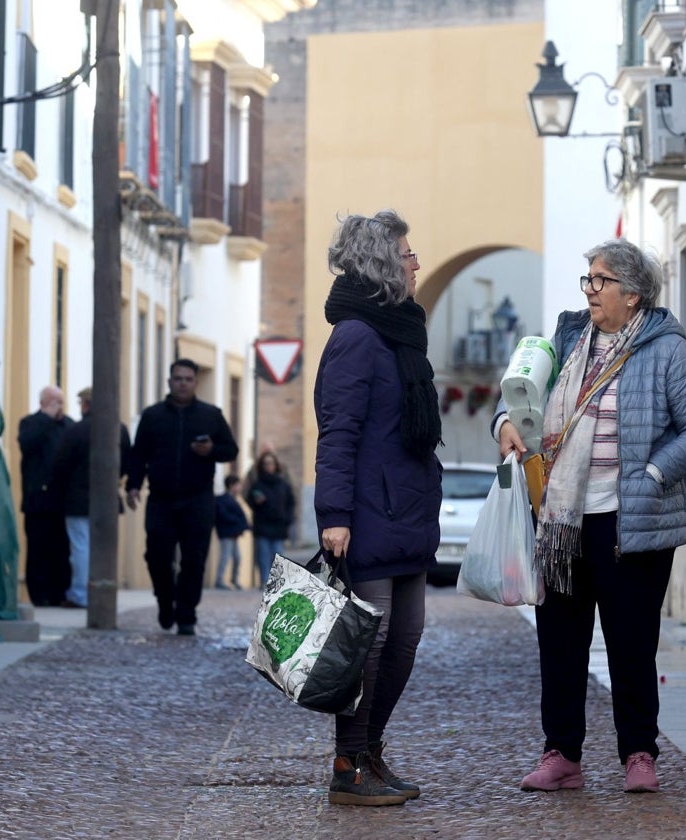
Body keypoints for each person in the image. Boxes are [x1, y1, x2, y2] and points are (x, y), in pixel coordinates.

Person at [494, 239, 686, 795]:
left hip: (631, 524)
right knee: (561, 642)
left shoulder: (666, 350)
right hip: (562, 521)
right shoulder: (568, 338)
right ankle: (561, 754)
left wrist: (653, 474)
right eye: (588, 280)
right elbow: (522, 391)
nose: (590, 290)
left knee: (632, 643)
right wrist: (504, 421)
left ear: (632, 293)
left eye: (600, 280)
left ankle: (639, 753)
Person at [314, 209, 441, 807]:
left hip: (410, 513)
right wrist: (334, 515)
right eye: (408, 254)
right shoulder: (357, 336)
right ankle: (347, 764)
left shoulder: (403, 333)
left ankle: (370, 750)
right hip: (368, 515)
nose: (417, 263)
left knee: (405, 640)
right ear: (384, 263)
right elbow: (337, 431)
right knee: (368, 642)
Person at [125, 359, 239, 636]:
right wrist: (133, 485)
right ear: (169, 382)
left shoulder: (211, 415)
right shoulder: (152, 416)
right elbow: (138, 454)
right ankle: (165, 602)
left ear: (195, 383)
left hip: (198, 498)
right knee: (157, 556)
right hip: (161, 498)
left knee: (194, 559)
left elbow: (230, 450)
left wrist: (211, 449)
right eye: (178, 378)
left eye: (188, 379)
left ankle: (186, 614)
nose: (183, 383)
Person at [48, 387, 131, 608]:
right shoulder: (120, 430)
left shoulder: (76, 430)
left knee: (80, 549)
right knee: (103, 549)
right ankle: (103, 591)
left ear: (86, 404)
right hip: (108, 501)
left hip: (77, 500)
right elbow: (126, 464)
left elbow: (60, 466)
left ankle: (80, 594)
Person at [18, 386, 74, 607]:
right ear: (44, 403)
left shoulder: (68, 425)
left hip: (63, 501)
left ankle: (59, 592)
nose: (59, 407)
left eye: (61, 402)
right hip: (38, 501)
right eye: (54, 402)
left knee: (61, 550)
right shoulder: (31, 423)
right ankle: (39, 593)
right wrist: (46, 419)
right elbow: (27, 444)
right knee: (38, 549)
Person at [246, 451, 296, 587]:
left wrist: (288, 518)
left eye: (271, 463)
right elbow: (249, 500)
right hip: (262, 525)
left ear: (276, 465)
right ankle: (264, 583)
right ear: (261, 466)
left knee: (278, 556)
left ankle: (276, 584)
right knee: (263, 557)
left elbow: (291, 502)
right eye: (266, 463)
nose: (269, 466)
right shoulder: (257, 484)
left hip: (279, 526)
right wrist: (256, 501)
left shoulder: (283, 484)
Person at [213, 475, 250, 590]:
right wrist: (238, 522)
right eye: (238, 485)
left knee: (237, 557)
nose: (240, 488)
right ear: (232, 486)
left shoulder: (233, 500)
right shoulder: (223, 499)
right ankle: (219, 580)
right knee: (225, 556)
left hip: (233, 534)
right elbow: (224, 516)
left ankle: (234, 579)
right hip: (226, 533)